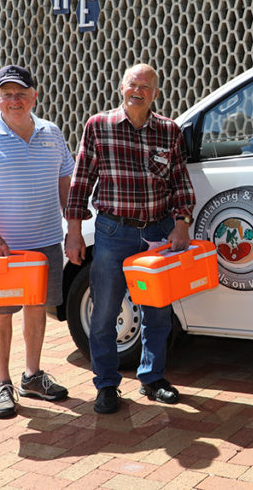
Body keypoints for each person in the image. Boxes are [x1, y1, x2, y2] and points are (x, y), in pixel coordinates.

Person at [64, 63, 196, 414]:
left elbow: (181, 182)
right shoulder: (98, 126)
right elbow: (80, 182)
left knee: (158, 312)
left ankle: (152, 380)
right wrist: (74, 231)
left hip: (157, 234)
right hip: (113, 232)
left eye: (147, 86)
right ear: (122, 88)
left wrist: (181, 223)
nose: (139, 91)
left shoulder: (169, 131)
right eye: (133, 84)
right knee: (105, 311)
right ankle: (106, 385)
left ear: (155, 94)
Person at [0, 64, 74, 419]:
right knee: (0, 315)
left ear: (34, 96)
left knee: (37, 310)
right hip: (0, 250)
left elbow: (65, 179)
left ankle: (33, 376)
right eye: (6, 94)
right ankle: (2, 383)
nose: (14, 100)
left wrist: (72, 226)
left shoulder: (52, 133)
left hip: (45, 244)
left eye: (21, 93)